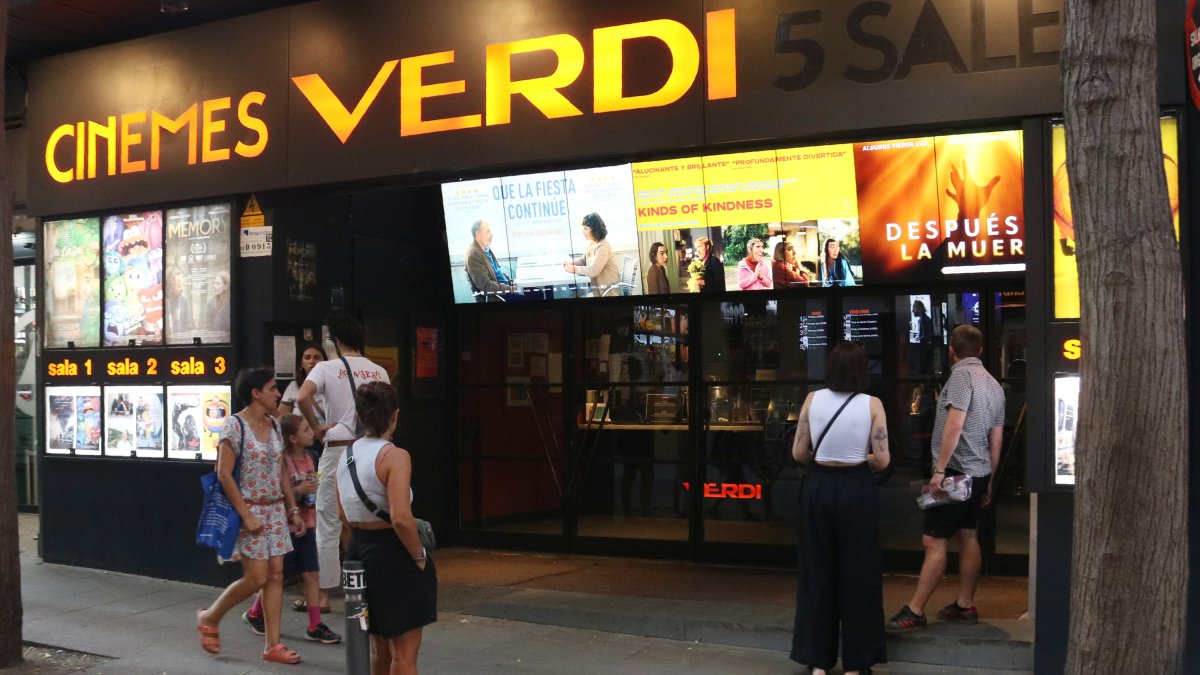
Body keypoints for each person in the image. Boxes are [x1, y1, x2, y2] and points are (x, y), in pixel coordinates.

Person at [886, 324, 1005, 633]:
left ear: (951, 351)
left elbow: (955, 424)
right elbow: (997, 438)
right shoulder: (994, 384)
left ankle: (915, 610)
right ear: (979, 350)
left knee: (933, 539)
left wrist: (939, 469)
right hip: (979, 474)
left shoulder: (960, 378)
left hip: (955, 473)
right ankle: (965, 605)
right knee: (968, 535)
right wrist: (990, 480)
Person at [790, 342, 890, 675]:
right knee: (859, 575)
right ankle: (856, 664)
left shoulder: (811, 400)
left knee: (816, 573)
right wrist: (862, 459)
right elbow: (884, 459)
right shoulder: (872, 404)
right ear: (862, 370)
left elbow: (798, 454)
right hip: (857, 489)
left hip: (818, 487)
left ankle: (817, 662)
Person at [196, 367, 306, 665]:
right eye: (272, 388)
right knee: (257, 577)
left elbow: (280, 468)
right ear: (256, 393)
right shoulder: (234, 426)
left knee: (276, 576)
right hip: (251, 510)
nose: (277, 393)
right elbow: (223, 473)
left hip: (273, 510)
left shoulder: (273, 424)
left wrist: (291, 508)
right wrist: (246, 515)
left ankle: (273, 644)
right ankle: (210, 615)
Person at [337, 381, 437, 675]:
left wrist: (352, 553)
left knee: (376, 646)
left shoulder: (346, 456)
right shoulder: (395, 456)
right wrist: (419, 557)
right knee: (404, 651)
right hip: (392, 554)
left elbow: (342, 514)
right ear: (395, 415)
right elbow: (401, 518)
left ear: (359, 414)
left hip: (357, 551)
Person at [297, 312, 390, 611]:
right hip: (373, 450)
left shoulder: (326, 368)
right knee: (371, 516)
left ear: (336, 341)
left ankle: (323, 596)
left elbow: (301, 397)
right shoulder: (379, 371)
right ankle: (373, 584)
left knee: (327, 522)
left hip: (337, 449)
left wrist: (316, 425)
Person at [243, 414, 342, 645]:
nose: (312, 433)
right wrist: (299, 490)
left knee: (312, 572)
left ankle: (315, 624)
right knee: (279, 576)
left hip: (307, 523)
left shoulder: (311, 456)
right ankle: (255, 612)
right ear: (293, 438)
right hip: (285, 527)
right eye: (307, 429)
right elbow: (279, 491)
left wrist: (311, 492)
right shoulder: (282, 461)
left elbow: (310, 487)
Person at [464, 219, 522, 302]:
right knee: (534, 296)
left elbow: (497, 272)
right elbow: (486, 286)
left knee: (536, 293)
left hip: (505, 290)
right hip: (499, 296)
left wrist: (511, 282)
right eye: (488, 232)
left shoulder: (485, 248)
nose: (492, 235)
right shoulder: (473, 255)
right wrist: (511, 289)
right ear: (478, 234)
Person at [563, 212, 619, 297]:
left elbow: (593, 270)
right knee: (573, 295)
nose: (583, 232)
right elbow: (583, 260)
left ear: (595, 229)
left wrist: (573, 269)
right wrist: (570, 263)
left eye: (586, 228)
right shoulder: (593, 243)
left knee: (574, 297)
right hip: (598, 289)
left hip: (607, 292)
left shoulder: (603, 246)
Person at [278, 344, 327, 420]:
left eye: (317, 358)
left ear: (324, 362)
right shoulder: (294, 386)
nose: (312, 361)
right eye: (307, 358)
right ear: (301, 363)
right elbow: (282, 417)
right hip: (301, 431)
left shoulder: (331, 385)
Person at [906, 300, 936, 375]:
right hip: (925, 347)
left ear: (920, 308)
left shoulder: (925, 320)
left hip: (925, 348)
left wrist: (918, 339)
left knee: (924, 368)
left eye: (914, 307)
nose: (913, 310)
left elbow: (925, 335)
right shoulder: (923, 319)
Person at [165, 265, 193, 338]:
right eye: (179, 286)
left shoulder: (184, 301)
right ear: (171, 287)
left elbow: (188, 327)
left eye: (182, 285)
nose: (182, 289)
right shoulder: (163, 302)